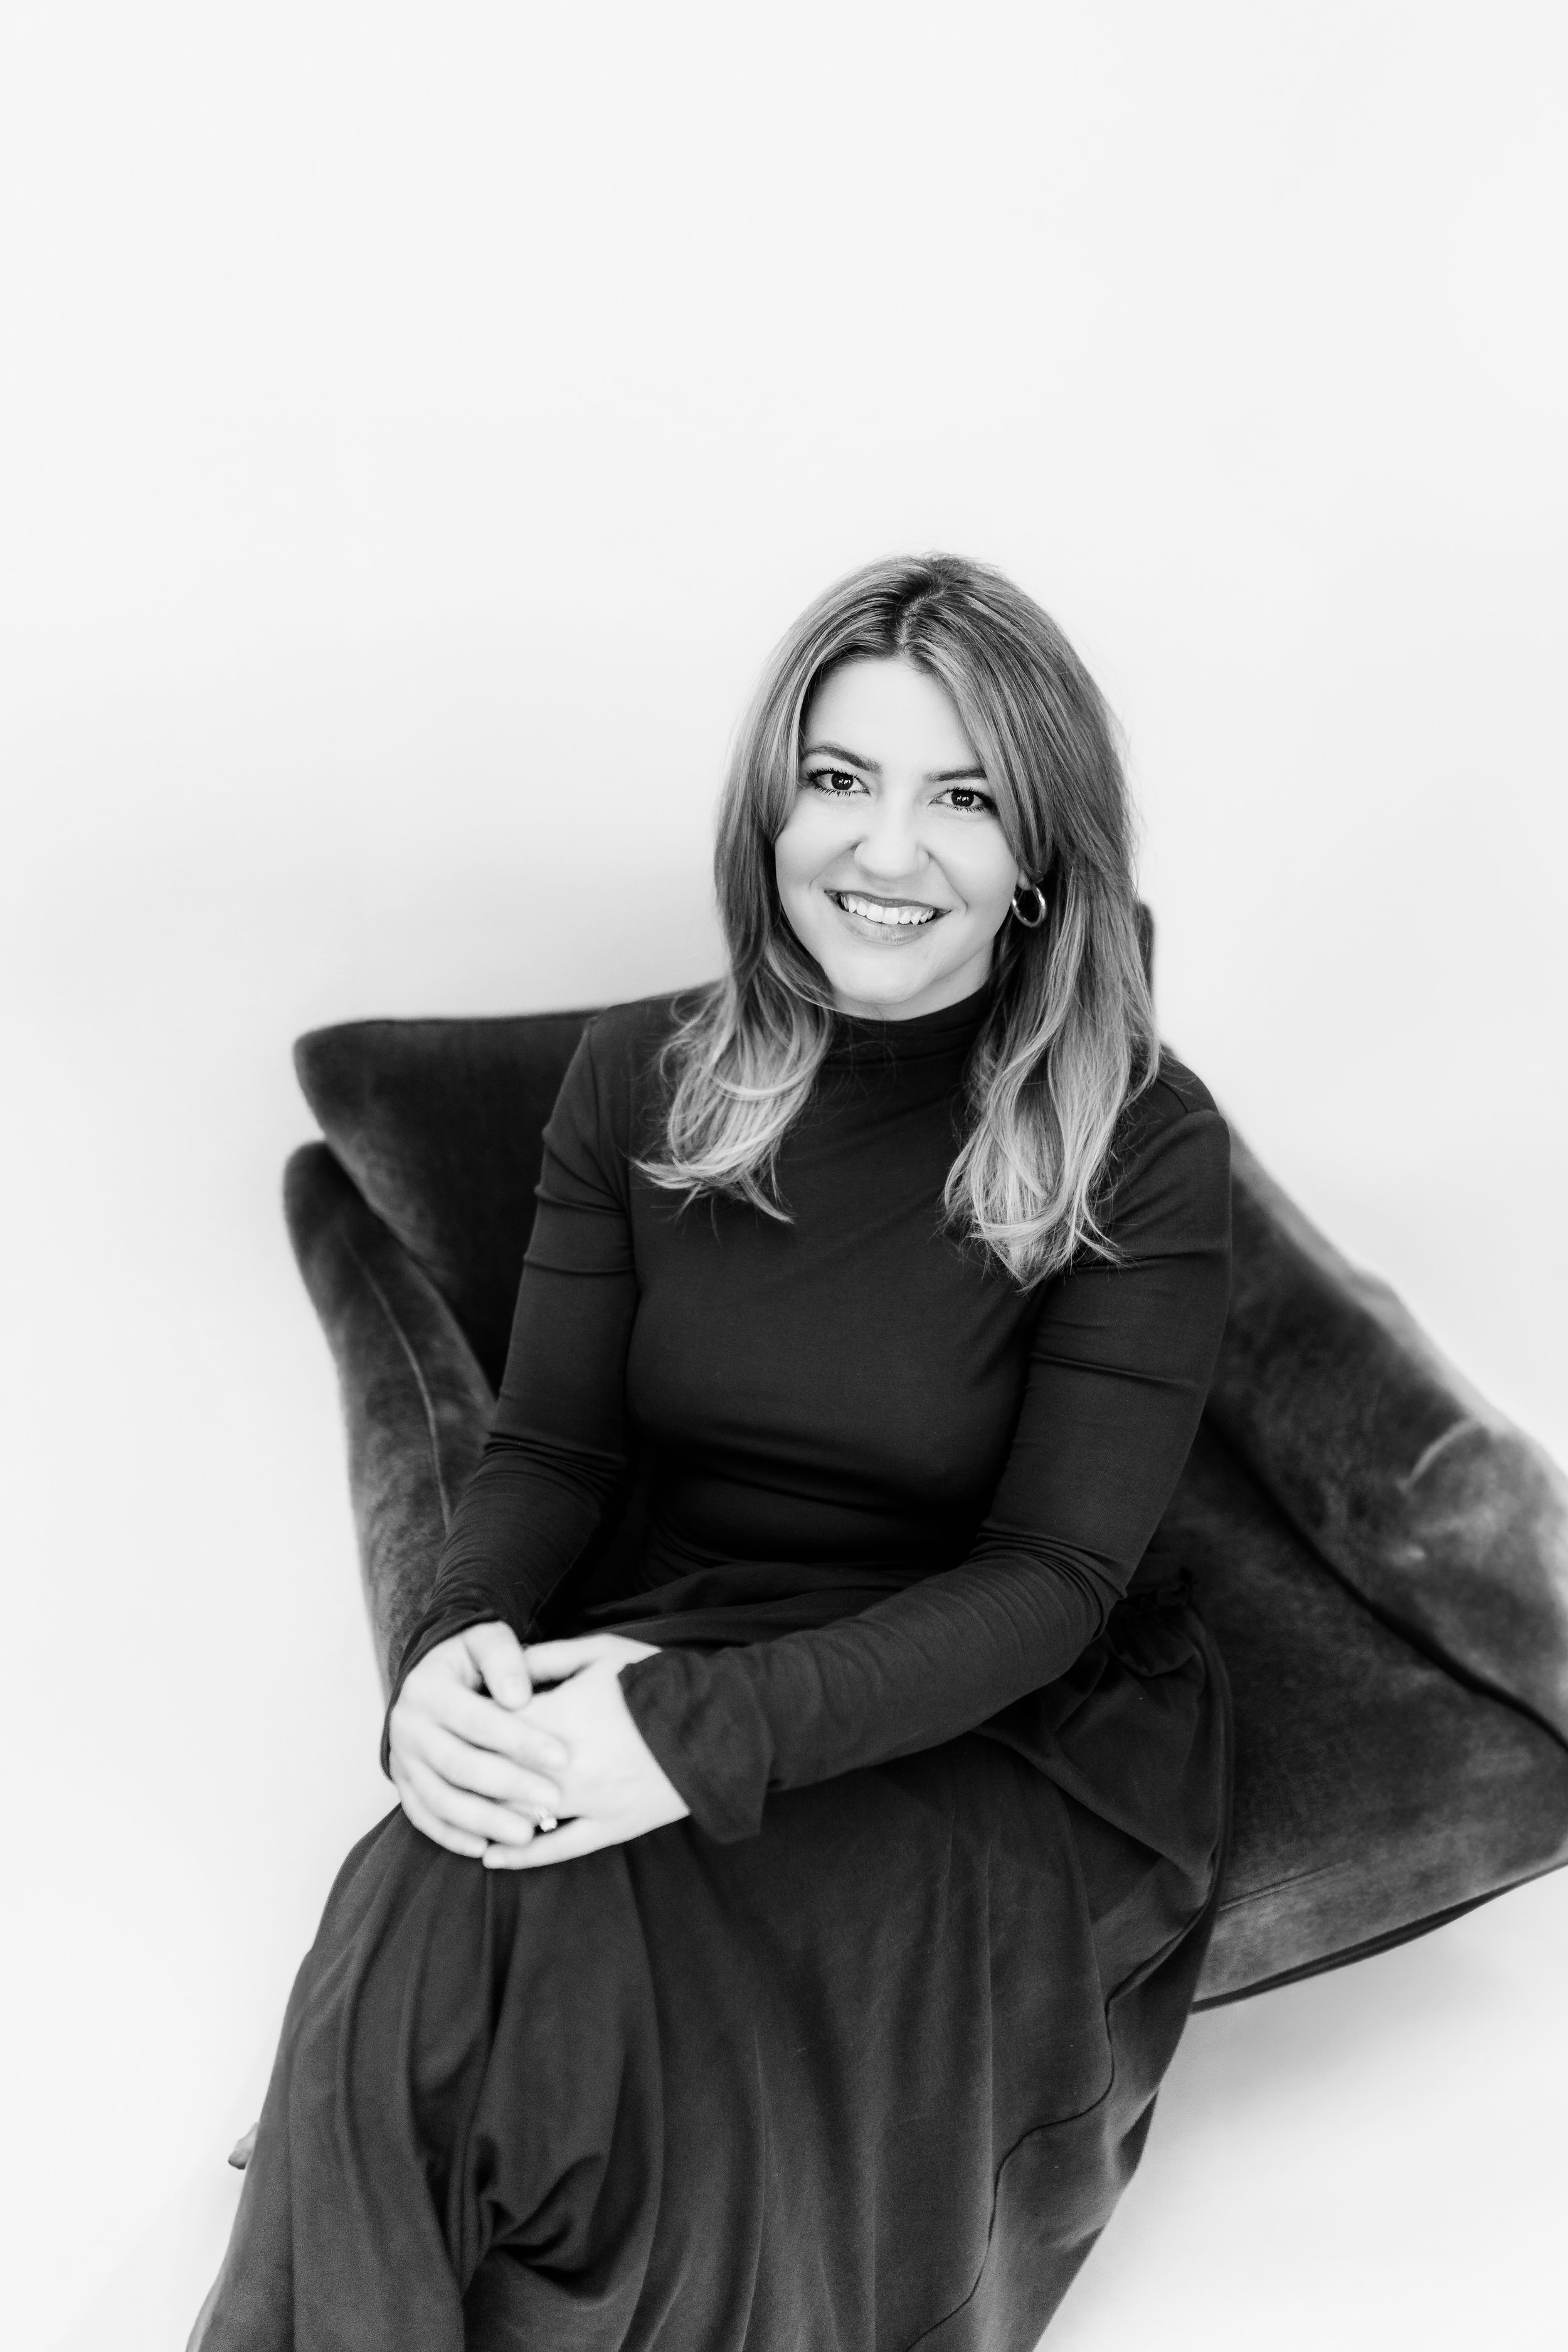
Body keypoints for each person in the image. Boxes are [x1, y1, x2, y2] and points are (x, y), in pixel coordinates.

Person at [191, 553, 1234, 2351]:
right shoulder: (636, 1078)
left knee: (706, 2045)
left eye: (963, 797)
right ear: (772, 809)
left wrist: (689, 1741)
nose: (886, 852)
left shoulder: (1134, 1136)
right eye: (840, 779)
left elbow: (1056, 1581)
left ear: (1040, 854)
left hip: (994, 1726)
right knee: (429, 1884)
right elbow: (547, 1453)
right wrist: (448, 1653)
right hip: (698, 1625)